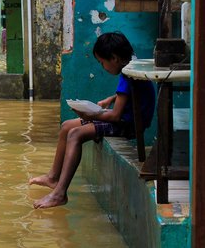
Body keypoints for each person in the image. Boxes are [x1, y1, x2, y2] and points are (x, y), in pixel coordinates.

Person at [29, 32, 156, 209]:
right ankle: (53, 178)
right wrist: (111, 99)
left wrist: (91, 116)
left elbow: (114, 117)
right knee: (66, 126)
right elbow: (130, 94)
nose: (103, 67)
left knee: (75, 134)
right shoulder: (131, 65)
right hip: (128, 119)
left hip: (127, 125)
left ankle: (60, 194)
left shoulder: (127, 75)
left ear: (114, 58)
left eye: (102, 62)